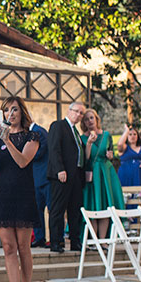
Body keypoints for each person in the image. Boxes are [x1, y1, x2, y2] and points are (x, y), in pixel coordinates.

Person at [0, 96, 41, 282]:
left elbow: (22, 162)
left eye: (15, 110)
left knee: (23, 247)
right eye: (7, 110)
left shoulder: (32, 136)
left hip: (24, 194)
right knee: (8, 248)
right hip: (3, 194)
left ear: (22, 113)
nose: (11, 113)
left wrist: (7, 140)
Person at [47, 102, 86, 252]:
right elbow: (54, 149)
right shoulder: (59, 126)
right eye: (76, 111)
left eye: (81, 113)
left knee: (75, 209)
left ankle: (75, 241)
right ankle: (56, 242)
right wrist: (59, 169)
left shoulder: (75, 131)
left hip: (76, 175)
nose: (78, 115)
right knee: (57, 209)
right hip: (61, 175)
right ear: (69, 111)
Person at [80, 108, 124, 240]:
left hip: (105, 172)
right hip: (92, 174)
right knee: (94, 206)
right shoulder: (82, 138)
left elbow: (111, 153)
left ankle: (104, 239)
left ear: (96, 119)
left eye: (91, 118)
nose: (89, 121)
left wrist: (110, 156)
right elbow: (85, 158)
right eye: (86, 119)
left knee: (105, 204)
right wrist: (88, 143)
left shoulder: (106, 135)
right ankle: (94, 240)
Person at [29, 121, 50, 248]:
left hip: (43, 176)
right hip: (36, 177)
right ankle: (39, 237)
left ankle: (51, 238)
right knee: (37, 210)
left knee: (49, 208)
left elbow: (40, 151)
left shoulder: (38, 131)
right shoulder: (35, 131)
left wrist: (24, 155)